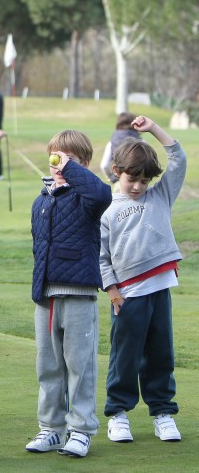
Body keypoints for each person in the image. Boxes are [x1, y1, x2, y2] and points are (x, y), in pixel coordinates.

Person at [100, 116, 186, 444]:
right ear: (117, 172)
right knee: (126, 354)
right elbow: (101, 255)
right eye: (132, 178)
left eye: (144, 181)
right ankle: (118, 413)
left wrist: (152, 129)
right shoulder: (106, 208)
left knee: (161, 352)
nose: (138, 186)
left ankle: (163, 413)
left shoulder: (159, 196)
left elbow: (178, 158)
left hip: (160, 286)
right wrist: (111, 289)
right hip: (127, 293)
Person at [26, 130, 112, 458]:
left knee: (80, 365)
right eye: (56, 157)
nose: (60, 164)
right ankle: (51, 429)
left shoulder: (86, 195)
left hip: (79, 294)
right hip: (46, 296)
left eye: (70, 159)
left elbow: (102, 194)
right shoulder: (42, 200)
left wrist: (72, 169)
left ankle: (81, 430)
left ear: (85, 164)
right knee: (48, 366)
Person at [99, 112, 140, 188]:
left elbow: (104, 165)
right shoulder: (141, 141)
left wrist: (111, 177)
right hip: (138, 183)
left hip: (119, 181)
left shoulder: (112, 142)